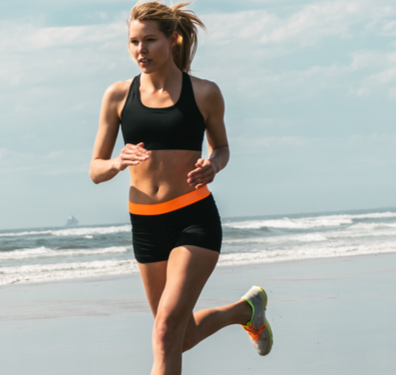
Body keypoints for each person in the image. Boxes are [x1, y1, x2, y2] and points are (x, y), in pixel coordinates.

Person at [87, 2, 271, 373]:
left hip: (193, 219)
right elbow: (95, 169)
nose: (141, 50)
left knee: (166, 331)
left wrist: (213, 165)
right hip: (146, 225)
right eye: (134, 42)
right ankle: (244, 311)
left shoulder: (204, 93)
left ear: (173, 40)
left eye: (150, 40)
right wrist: (117, 162)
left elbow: (221, 148)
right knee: (175, 336)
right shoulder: (119, 96)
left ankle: (244, 311)